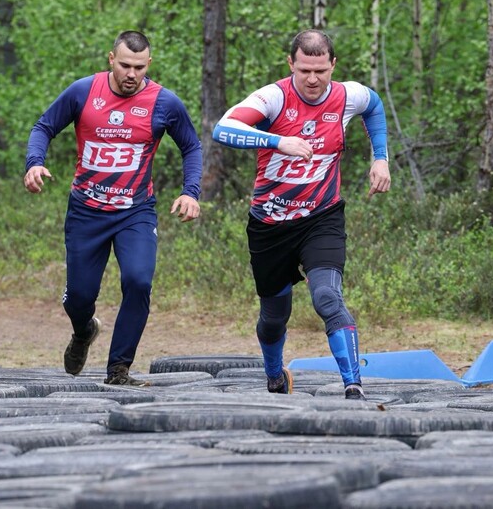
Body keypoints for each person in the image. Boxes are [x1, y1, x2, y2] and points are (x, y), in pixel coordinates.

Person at [213, 29, 390, 399]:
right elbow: (223, 128)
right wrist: (277, 140)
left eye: (321, 71)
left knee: (327, 297)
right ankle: (275, 375)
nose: (312, 79)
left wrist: (380, 158)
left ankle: (353, 386)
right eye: (305, 70)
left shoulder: (348, 96)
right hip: (270, 225)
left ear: (333, 66)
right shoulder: (274, 98)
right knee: (274, 317)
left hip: (321, 218)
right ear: (291, 64)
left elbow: (374, 105)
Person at [24, 30, 202, 386]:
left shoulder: (164, 103)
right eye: (124, 65)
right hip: (86, 212)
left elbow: (192, 147)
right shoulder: (83, 91)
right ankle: (84, 330)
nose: (131, 74)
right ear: (111, 59)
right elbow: (43, 126)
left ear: (148, 64)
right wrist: (34, 162)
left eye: (138, 66)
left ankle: (118, 369)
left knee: (138, 281)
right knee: (78, 299)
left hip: (134, 212)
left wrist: (191, 192)